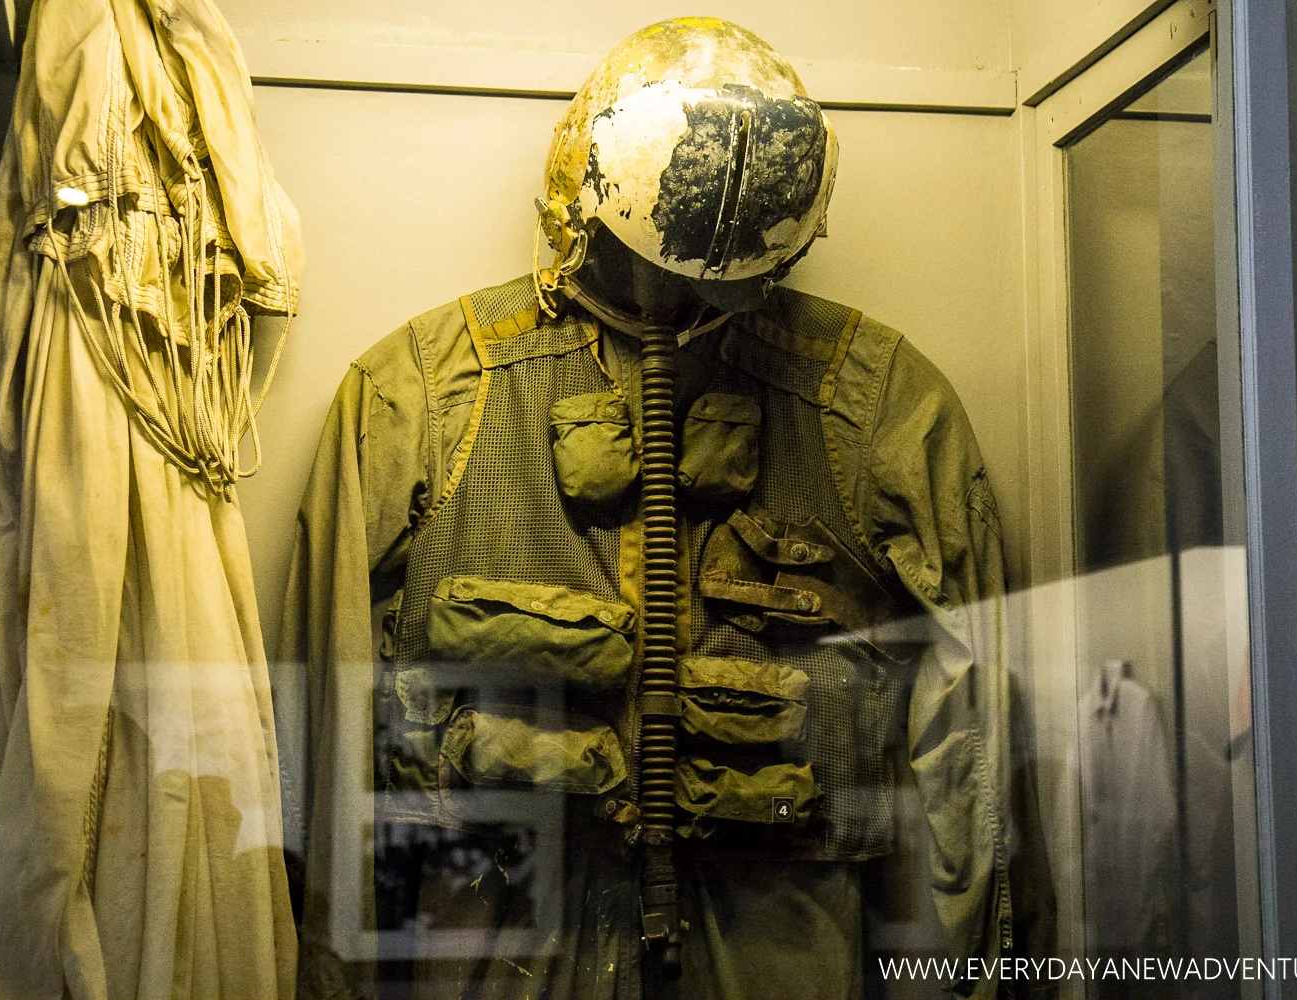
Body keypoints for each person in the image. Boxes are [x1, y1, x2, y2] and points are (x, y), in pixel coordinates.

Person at [280, 18, 1047, 999]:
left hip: (779, 946)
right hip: (498, 943)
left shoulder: (877, 405)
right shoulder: (425, 394)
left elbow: (971, 750)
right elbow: (328, 726)